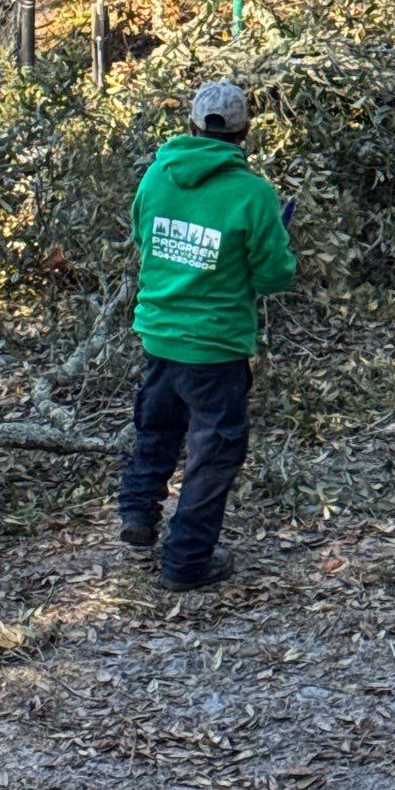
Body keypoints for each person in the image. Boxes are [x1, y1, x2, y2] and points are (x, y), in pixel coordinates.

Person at [118, 79, 297, 590]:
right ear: (245, 135)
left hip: (158, 336)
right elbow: (272, 277)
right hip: (216, 348)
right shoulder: (253, 194)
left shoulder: (156, 177)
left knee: (156, 429)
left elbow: (142, 239)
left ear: (191, 125)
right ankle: (187, 561)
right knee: (213, 453)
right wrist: (279, 242)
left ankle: (136, 514)